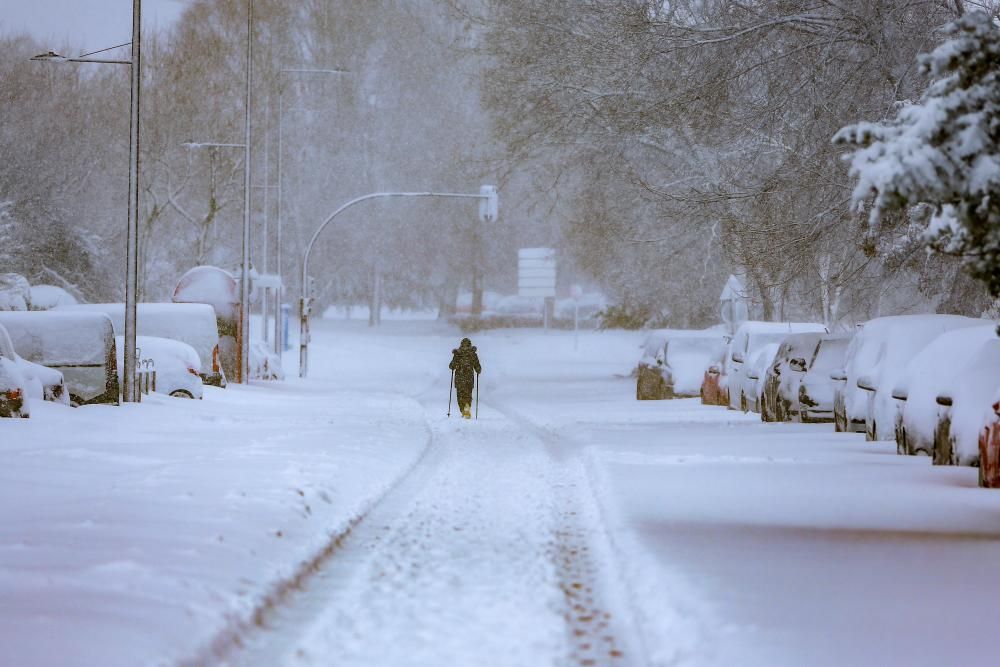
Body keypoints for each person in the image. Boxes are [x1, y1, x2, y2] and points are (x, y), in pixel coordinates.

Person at [449, 337, 481, 419]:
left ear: (461, 345)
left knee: (460, 396)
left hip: (459, 379)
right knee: (468, 395)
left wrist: (454, 365)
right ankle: (467, 408)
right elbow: (478, 368)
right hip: (469, 379)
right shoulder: (472, 354)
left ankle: (463, 410)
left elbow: (451, 366)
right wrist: (477, 370)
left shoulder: (458, 354)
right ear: (470, 345)